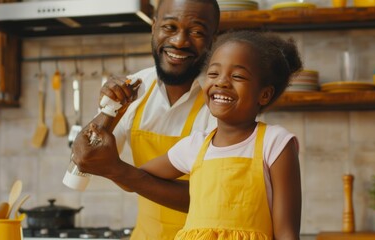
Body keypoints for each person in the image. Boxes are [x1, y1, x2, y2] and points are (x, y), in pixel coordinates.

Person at [73, 30, 303, 239]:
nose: (221, 82)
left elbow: (286, 233)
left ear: (264, 95)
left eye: (238, 77)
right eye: (213, 73)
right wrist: (110, 161)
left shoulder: (275, 143)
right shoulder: (195, 145)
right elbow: (133, 179)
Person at [73, 0, 220, 239]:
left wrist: (118, 171)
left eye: (196, 31)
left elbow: (210, 197)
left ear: (213, 38)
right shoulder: (135, 89)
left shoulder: (221, 99)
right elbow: (85, 159)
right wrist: (108, 113)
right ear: (154, 28)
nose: (180, 41)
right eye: (170, 27)